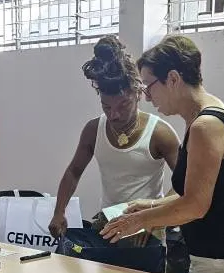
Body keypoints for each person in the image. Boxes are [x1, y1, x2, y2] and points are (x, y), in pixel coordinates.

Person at [101, 34, 224, 273]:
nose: (147, 97)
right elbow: (198, 194)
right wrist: (150, 205)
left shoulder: (205, 126)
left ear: (172, 79)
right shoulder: (203, 116)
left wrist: (138, 221)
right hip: (223, 255)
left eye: (148, 87)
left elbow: (195, 206)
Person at [49, 35, 179, 239]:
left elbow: (184, 184)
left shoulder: (160, 133)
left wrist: (153, 217)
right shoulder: (94, 130)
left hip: (147, 233)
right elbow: (73, 171)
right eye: (106, 107)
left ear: (138, 94)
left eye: (123, 105)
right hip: (108, 226)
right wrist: (59, 211)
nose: (114, 115)